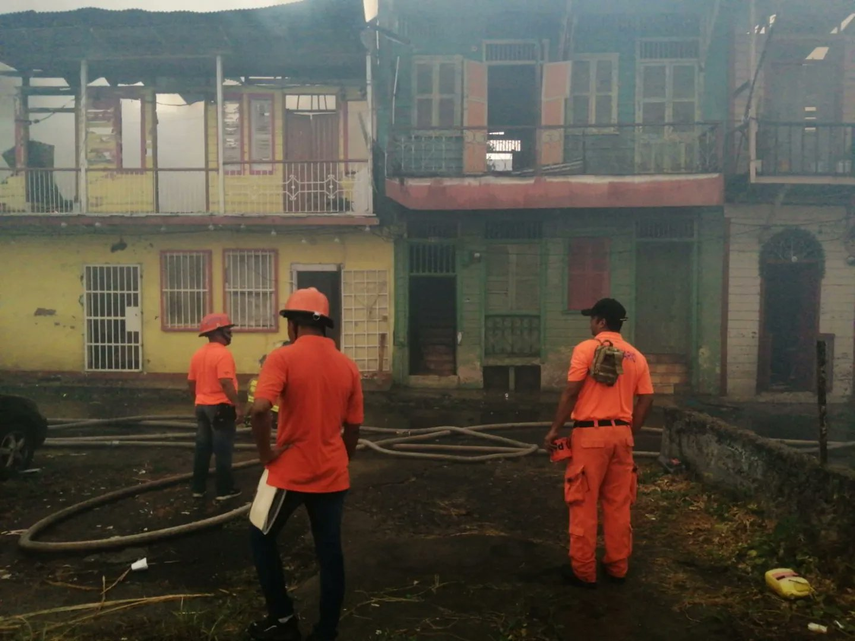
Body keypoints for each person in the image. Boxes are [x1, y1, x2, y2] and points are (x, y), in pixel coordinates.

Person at [247, 288, 363, 641]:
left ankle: (282, 619)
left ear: (293, 325)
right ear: (323, 325)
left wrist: (267, 456)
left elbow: (259, 409)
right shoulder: (348, 365)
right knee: (329, 552)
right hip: (331, 474)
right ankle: (326, 631)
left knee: (260, 536)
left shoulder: (282, 359)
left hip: (289, 472)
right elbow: (354, 426)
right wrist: (342, 458)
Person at [544, 298, 654, 588]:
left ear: (601, 321)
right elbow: (647, 398)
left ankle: (584, 571)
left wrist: (554, 429)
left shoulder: (585, 348)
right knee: (618, 504)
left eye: (592, 318)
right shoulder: (637, 356)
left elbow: (571, 392)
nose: (590, 323)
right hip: (622, 435)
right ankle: (618, 566)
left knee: (583, 502)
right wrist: (631, 431)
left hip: (590, 436)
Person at [187, 312, 243, 502]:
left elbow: (191, 383)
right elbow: (226, 382)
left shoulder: (198, 354)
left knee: (202, 449)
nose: (231, 333)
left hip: (202, 406)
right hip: (221, 408)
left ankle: (198, 488)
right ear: (219, 331)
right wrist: (238, 406)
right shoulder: (223, 354)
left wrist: (199, 399)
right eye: (228, 330)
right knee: (223, 450)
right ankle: (224, 491)